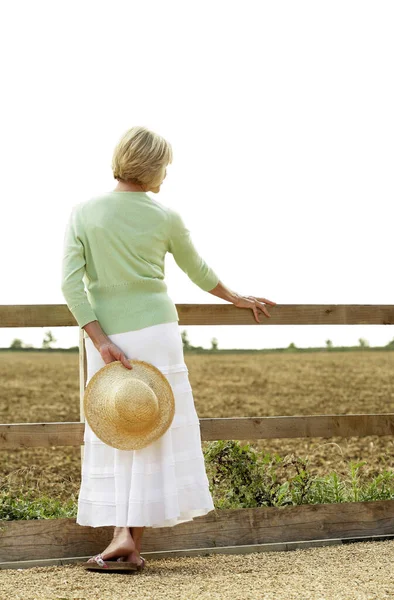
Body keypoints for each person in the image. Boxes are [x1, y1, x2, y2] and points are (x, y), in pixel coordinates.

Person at [61, 125, 276, 570]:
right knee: (151, 428)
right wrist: (236, 297)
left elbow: (70, 285)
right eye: (166, 166)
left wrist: (100, 342)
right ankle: (127, 541)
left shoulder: (82, 212)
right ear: (153, 165)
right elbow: (197, 270)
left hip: (107, 339)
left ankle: (124, 539)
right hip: (156, 331)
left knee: (117, 426)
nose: (166, 175)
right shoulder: (165, 216)